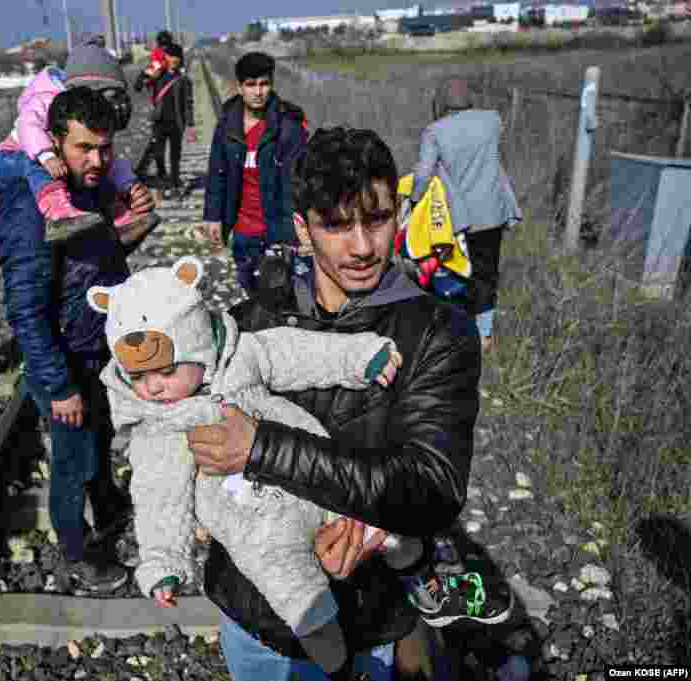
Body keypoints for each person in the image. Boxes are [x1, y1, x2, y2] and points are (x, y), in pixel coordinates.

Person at [187, 127, 511, 681]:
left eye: (377, 219)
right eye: (336, 225)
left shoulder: (436, 331)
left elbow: (431, 487)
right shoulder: (248, 322)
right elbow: (190, 426)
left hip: (366, 615)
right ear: (302, 230)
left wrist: (261, 448)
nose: (362, 247)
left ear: (399, 215)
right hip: (250, 613)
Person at [88, 256, 422, 680]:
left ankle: (427, 578)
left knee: (380, 530)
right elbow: (158, 500)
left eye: (168, 370)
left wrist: (359, 357)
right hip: (258, 530)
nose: (154, 387)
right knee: (302, 601)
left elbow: (297, 353)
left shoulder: (242, 355)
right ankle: (340, 669)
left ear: (198, 345)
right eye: (139, 377)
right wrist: (163, 561)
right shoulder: (159, 432)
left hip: (312, 474)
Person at [0, 86, 160, 593]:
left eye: (105, 148)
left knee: (99, 443)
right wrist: (57, 383)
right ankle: (77, 552)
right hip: (65, 359)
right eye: (85, 148)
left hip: (95, 351)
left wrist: (138, 224)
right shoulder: (32, 207)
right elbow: (25, 307)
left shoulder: (87, 191)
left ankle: (107, 513)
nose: (98, 159)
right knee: (71, 459)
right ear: (56, 144)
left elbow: (98, 255)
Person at [0, 44, 155, 243]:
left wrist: (129, 186)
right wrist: (47, 156)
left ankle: (121, 220)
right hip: (14, 155)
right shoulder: (49, 102)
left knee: (98, 174)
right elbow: (27, 126)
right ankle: (58, 213)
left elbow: (112, 161)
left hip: (47, 155)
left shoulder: (80, 132)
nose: (96, 159)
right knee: (40, 166)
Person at [409, 78, 522, 354]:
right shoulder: (492, 121)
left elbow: (423, 175)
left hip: (455, 219)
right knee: (486, 274)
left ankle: (452, 335)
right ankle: (483, 336)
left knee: (452, 274)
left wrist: (413, 202)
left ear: (440, 103)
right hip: (492, 214)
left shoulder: (435, 132)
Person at [202, 51, 309, 296]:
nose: (258, 91)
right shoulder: (227, 126)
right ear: (239, 87)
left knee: (281, 295)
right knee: (249, 290)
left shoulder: (288, 127)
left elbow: (298, 181)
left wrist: (299, 227)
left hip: (278, 229)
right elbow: (217, 173)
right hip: (242, 230)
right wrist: (213, 215)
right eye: (251, 85)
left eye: (264, 84)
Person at [134, 42, 195, 198]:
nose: (173, 59)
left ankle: (174, 184)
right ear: (165, 57)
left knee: (175, 155)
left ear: (180, 59)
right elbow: (137, 86)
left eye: (176, 57)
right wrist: (146, 73)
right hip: (159, 121)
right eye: (170, 56)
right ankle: (163, 179)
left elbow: (188, 103)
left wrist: (190, 126)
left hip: (177, 123)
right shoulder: (157, 75)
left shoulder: (183, 79)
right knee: (159, 154)